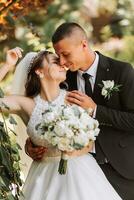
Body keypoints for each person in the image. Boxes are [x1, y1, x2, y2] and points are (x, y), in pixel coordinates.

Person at [25, 22, 134, 200]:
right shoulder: (62, 77)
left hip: (121, 170)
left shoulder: (121, 71)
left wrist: (96, 110)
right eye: (58, 56)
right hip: (79, 174)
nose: (62, 62)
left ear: (83, 44)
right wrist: (33, 143)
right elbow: (45, 111)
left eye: (65, 54)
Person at [0, 47, 122, 200]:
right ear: (39, 71)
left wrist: (76, 149)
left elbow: (90, 139)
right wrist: (7, 65)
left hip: (82, 175)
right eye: (55, 62)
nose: (63, 65)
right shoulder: (26, 104)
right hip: (43, 177)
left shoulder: (75, 98)